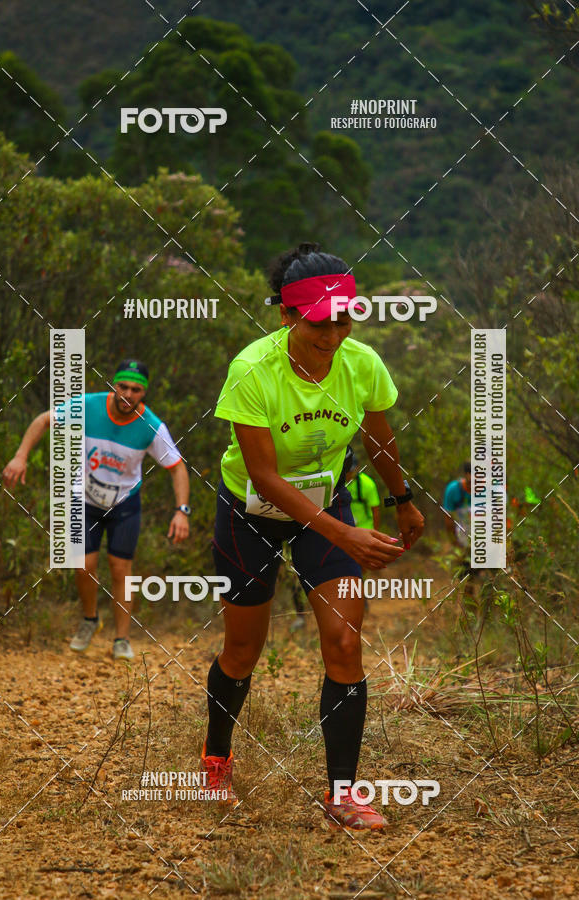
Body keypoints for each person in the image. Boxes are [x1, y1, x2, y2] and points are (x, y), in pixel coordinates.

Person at [201, 243, 424, 830]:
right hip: (251, 513)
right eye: (320, 322)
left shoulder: (363, 364)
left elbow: (377, 438)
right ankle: (216, 758)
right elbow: (264, 477)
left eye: (344, 319)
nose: (333, 334)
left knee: (346, 644)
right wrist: (346, 535)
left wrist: (402, 500)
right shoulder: (252, 369)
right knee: (243, 649)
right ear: (286, 316)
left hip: (328, 503)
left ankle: (343, 794)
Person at [3, 359, 190, 660]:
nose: (128, 393)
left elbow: (177, 468)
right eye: (123, 386)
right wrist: (20, 456)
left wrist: (181, 510)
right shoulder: (88, 406)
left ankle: (121, 639)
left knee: (120, 570)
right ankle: (90, 620)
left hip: (125, 505)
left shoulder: (152, 426)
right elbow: (43, 420)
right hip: (85, 500)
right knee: (83, 566)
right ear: (114, 385)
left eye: (136, 389)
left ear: (144, 393)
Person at [346, 451, 381, 530]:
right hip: (345, 527)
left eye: (351, 470)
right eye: (347, 470)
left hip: (365, 527)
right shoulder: (337, 482)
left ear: (357, 468)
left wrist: (375, 533)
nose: (349, 473)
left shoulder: (368, 484)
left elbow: (375, 511)